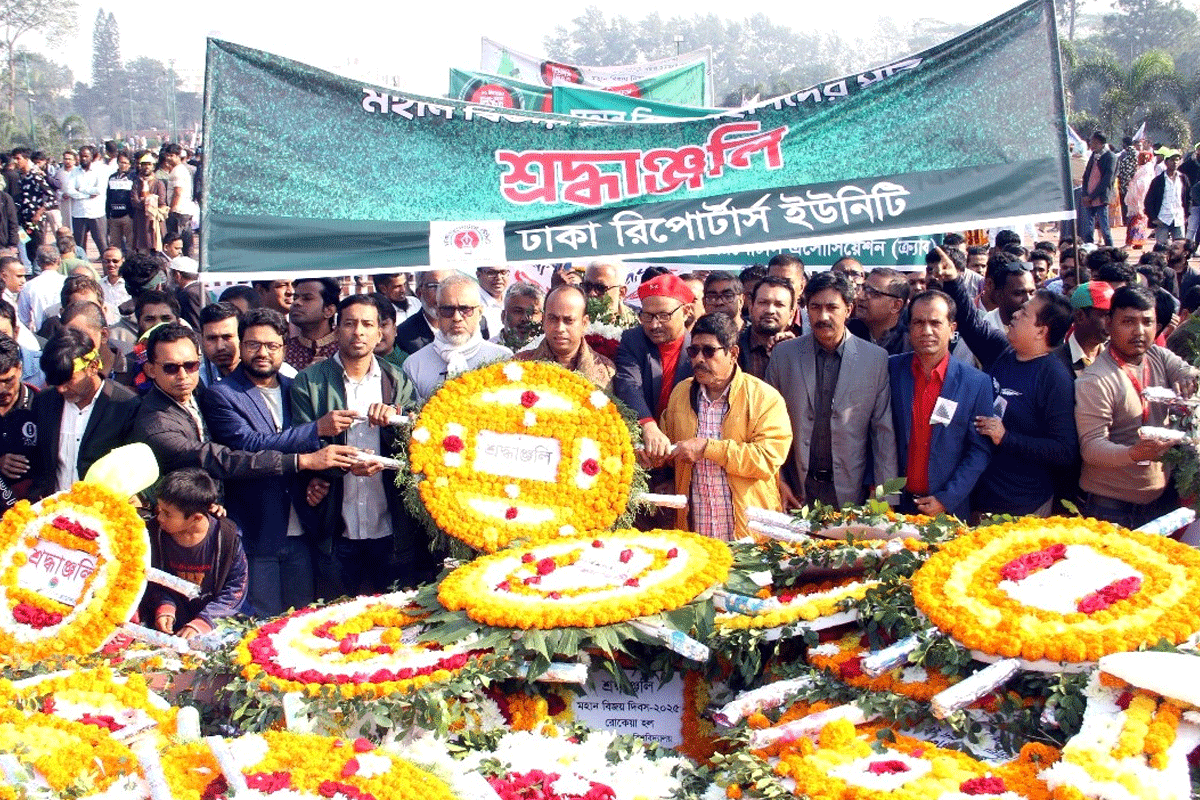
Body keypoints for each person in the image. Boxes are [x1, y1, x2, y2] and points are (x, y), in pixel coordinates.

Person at [201, 308, 359, 616]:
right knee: (259, 626)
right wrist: (314, 433)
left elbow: (319, 451)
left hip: (302, 526)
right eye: (253, 345)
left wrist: (317, 477)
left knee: (302, 621)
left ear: (284, 348)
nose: (263, 353)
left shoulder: (295, 387)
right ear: (240, 346)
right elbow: (248, 446)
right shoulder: (221, 395)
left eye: (272, 346)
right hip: (257, 530)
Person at [291, 295, 435, 596]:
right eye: (350, 324)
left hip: (391, 528)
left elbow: (417, 447)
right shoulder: (309, 382)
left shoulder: (396, 379)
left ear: (379, 332)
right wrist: (341, 466)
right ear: (336, 329)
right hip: (336, 527)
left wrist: (395, 423)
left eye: (367, 324)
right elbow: (299, 445)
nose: (358, 332)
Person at [935, 251, 1078, 518]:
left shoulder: (1054, 377)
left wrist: (1007, 438)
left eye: (1025, 313)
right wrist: (953, 279)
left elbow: (1064, 451)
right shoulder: (1002, 351)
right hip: (981, 495)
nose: (1015, 314)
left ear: (1041, 330)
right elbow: (971, 323)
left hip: (1023, 507)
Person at [767, 271, 896, 510]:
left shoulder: (874, 359)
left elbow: (883, 435)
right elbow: (766, 428)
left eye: (832, 307)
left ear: (848, 309)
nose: (823, 316)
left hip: (851, 493)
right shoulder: (784, 356)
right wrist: (777, 481)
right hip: (795, 490)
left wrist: (885, 500)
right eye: (815, 307)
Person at [658, 313, 792, 540]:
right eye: (694, 351)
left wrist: (708, 449)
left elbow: (767, 459)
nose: (699, 359)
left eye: (709, 351)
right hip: (696, 534)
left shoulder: (764, 397)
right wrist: (655, 454)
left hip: (750, 538)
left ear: (733, 353)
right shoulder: (681, 393)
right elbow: (669, 445)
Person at [1075, 285, 1198, 528]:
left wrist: (1188, 376)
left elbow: (1186, 370)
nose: (1139, 331)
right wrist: (1134, 454)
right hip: (1110, 509)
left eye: (1147, 322)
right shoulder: (1095, 380)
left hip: (1160, 503)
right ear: (1109, 323)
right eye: (1128, 322)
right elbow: (1091, 448)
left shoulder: (1157, 355)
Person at [889, 290, 994, 519]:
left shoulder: (976, 383)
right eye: (918, 322)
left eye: (935, 323)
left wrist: (947, 498)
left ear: (952, 328)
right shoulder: (890, 370)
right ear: (909, 327)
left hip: (947, 509)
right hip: (895, 506)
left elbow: (979, 451)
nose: (926, 331)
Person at [30, 328, 138, 499]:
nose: (61, 389)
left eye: (68, 381)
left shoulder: (125, 406)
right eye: (55, 383)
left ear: (93, 366)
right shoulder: (44, 402)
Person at [142, 468, 249, 640]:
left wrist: (203, 622)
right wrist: (164, 607)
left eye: (167, 513)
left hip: (214, 630)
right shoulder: (154, 534)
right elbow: (148, 578)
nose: (160, 517)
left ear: (196, 518)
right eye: (159, 509)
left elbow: (236, 587)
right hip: (166, 630)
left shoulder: (227, 538)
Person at [403, 273, 512, 402]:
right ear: (438, 313)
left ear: (480, 313)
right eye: (448, 310)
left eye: (465, 309)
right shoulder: (415, 365)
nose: (456, 318)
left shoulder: (502, 359)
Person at [513, 284, 615, 390]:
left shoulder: (607, 371)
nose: (560, 328)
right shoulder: (519, 365)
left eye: (568, 320)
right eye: (553, 318)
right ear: (543, 320)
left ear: (584, 323)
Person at [0, 334, 37, 507]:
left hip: (32, 512)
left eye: (8, 381)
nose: (2, 390)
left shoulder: (42, 404)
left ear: (20, 369)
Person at [737, 275, 796, 380]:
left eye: (779, 305)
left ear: (791, 315)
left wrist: (792, 351)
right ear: (751, 309)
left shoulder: (803, 351)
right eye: (763, 303)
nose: (770, 311)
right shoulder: (733, 348)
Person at [1055, 281, 1113, 378]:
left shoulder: (1115, 357)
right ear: (1080, 316)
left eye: (1113, 315)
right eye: (1105, 315)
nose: (1111, 322)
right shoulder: (1055, 363)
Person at [847, 267, 910, 355]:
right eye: (863, 288)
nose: (860, 296)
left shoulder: (910, 343)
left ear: (896, 305)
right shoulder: (847, 332)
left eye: (872, 292)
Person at [285, 277, 339, 371]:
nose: (296, 302)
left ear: (329, 311)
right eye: (295, 298)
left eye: (307, 298)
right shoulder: (285, 351)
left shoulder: (345, 349)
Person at [395, 269, 453, 355]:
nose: (442, 293)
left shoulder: (467, 326)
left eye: (448, 285)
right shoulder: (403, 336)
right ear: (419, 293)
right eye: (434, 286)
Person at [12, 147, 53, 264]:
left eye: (18, 158)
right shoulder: (21, 177)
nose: (15, 161)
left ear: (26, 159)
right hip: (23, 221)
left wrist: (39, 213)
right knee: (26, 247)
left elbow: (52, 197)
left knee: (37, 249)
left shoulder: (35, 176)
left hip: (35, 222)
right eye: (14, 159)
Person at [1144, 149, 1192, 247]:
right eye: (1172, 160)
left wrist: (1187, 214)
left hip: (1178, 218)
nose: (1175, 162)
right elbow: (1148, 201)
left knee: (1179, 249)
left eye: (1177, 160)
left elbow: (1188, 198)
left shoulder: (1183, 178)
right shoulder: (1158, 181)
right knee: (1161, 249)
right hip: (1162, 219)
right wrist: (1153, 218)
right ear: (1166, 162)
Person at [66, 145, 108, 255]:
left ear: (92, 157)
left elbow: (99, 190)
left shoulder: (99, 170)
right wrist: (87, 195)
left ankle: (107, 271)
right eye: (81, 156)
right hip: (79, 214)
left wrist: (81, 189)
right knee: (79, 247)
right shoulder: (74, 172)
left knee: (102, 244)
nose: (83, 158)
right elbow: (69, 190)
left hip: (96, 213)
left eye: (86, 156)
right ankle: (81, 271)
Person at [16, 245, 64, 334]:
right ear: (58, 260)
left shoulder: (28, 286)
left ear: (38, 262)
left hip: (41, 335)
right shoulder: (67, 282)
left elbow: (23, 318)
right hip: (65, 333)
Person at [1081, 131, 1116, 246]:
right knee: (1088, 229)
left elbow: (1107, 180)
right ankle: (1088, 249)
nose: (1091, 144)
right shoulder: (1094, 155)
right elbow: (1086, 176)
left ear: (1099, 143)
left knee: (1104, 228)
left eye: (1093, 142)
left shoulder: (1110, 157)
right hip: (1088, 198)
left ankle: (1111, 251)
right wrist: (1086, 194)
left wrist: (1092, 196)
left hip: (1100, 197)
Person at [162, 143, 197, 257]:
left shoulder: (178, 171)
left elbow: (178, 192)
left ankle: (184, 267)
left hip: (179, 213)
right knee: (184, 242)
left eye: (171, 155)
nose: (168, 158)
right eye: (167, 155)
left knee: (178, 243)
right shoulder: (178, 169)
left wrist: (171, 210)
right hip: (182, 212)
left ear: (178, 156)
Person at [130, 151, 167, 254]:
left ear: (153, 167)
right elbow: (134, 201)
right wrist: (150, 200)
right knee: (141, 251)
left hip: (155, 222)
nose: (146, 167)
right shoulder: (137, 183)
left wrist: (145, 201)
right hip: (140, 221)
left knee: (156, 251)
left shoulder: (158, 183)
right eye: (144, 164)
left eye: (149, 164)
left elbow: (161, 202)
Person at [583, 260, 637, 327]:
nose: (591, 293)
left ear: (621, 292)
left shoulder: (639, 324)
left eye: (600, 287)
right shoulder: (575, 319)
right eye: (587, 286)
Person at [198, 301, 241, 386]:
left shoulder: (258, 372)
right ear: (202, 339)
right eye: (212, 338)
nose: (220, 347)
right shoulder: (199, 379)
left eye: (227, 337)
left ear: (241, 337)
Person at [493, 281, 543, 351]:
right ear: (503, 316)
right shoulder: (487, 352)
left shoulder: (551, 353)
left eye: (532, 312)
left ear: (542, 318)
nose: (525, 319)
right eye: (518, 311)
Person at [766, 253, 806, 335]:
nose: (780, 287)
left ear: (801, 287)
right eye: (774, 281)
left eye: (787, 282)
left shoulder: (813, 324)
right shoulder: (754, 323)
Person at [105, 152, 135, 255]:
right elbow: (108, 196)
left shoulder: (133, 177)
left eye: (126, 163)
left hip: (128, 216)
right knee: (114, 245)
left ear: (130, 164)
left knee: (130, 244)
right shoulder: (112, 177)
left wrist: (131, 214)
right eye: (121, 162)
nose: (123, 165)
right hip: (114, 216)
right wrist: (108, 214)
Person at [371, 292, 406, 368]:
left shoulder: (409, 365)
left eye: (383, 325)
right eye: (370, 325)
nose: (378, 332)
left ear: (395, 329)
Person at [169, 256, 203, 330]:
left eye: (172, 274)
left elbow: (195, 326)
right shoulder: (200, 289)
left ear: (177, 275)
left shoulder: (188, 294)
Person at [476, 265, 510, 336]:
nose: (498, 278)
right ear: (478, 275)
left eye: (503, 272)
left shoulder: (513, 300)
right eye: (491, 273)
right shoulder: (472, 303)